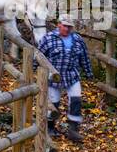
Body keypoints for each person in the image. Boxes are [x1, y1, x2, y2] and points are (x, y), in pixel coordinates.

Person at [38, 14, 93, 144]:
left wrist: (89, 73)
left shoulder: (77, 40)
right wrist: (33, 70)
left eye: (69, 27)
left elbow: (84, 57)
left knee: (76, 100)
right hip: (53, 77)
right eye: (65, 26)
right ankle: (50, 128)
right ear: (59, 25)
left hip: (71, 75)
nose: (67, 29)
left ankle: (73, 128)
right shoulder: (48, 39)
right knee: (53, 102)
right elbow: (39, 55)